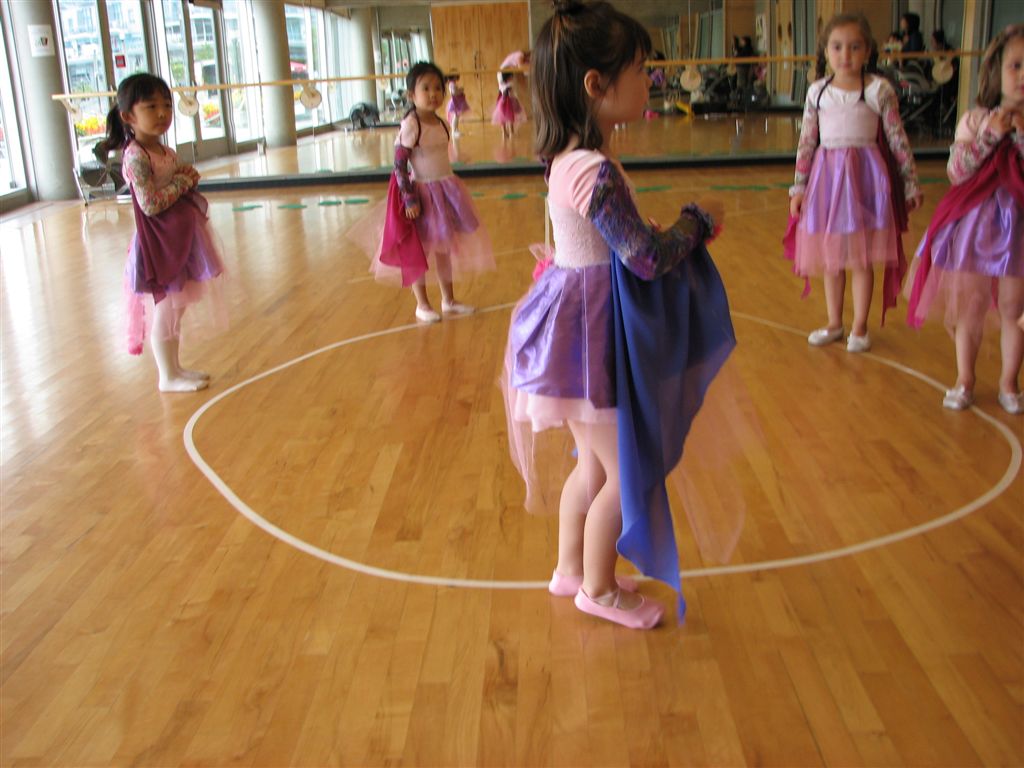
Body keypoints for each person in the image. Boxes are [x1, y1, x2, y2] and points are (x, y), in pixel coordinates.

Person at [503, 0, 736, 629]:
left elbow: (618, 243)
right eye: (639, 70)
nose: (649, 80)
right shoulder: (594, 170)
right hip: (592, 334)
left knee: (595, 464)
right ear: (595, 84)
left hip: (575, 325)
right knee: (624, 474)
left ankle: (569, 568)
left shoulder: (569, 158)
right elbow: (645, 259)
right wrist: (697, 221)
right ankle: (599, 589)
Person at [785, 13, 922, 352]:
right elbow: (807, 141)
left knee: (862, 258)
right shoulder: (818, 92)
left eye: (854, 47)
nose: (845, 54)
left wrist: (910, 183)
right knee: (832, 257)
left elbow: (897, 139)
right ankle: (835, 322)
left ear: (868, 51)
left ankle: (860, 325)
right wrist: (799, 187)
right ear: (826, 51)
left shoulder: (878, 90)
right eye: (837, 47)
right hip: (827, 180)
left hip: (866, 179)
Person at [906, 25, 1024, 414]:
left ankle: (1009, 383)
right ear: (996, 71)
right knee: (970, 308)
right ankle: (965, 378)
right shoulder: (975, 119)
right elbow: (958, 171)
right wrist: (990, 135)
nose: (1023, 75)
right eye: (1016, 66)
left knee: (1014, 309)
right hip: (976, 229)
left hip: (1018, 233)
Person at [94, 73, 226, 392]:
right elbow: (150, 203)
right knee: (166, 307)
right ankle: (167, 376)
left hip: (177, 238)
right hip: (158, 244)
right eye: (151, 107)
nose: (162, 113)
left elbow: (176, 178)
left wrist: (183, 176)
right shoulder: (136, 155)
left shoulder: (162, 150)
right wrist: (182, 181)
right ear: (128, 116)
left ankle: (175, 368)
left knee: (176, 309)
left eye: (166, 105)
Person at [352, 62, 493, 322]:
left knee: (444, 248)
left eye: (438, 88)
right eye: (425, 88)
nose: (433, 94)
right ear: (411, 95)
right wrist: (409, 199)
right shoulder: (411, 124)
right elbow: (399, 165)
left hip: (445, 190)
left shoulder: (441, 122)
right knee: (420, 251)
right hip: (424, 196)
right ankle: (422, 304)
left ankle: (448, 300)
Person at [492, 70, 526, 139]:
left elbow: (501, 92)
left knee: (502, 118)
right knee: (510, 118)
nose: (512, 78)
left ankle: (504, 133)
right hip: (508, 103)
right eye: (511, 76)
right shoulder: (509, 85)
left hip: (501, 103)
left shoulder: (500, 85)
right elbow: (510, 94)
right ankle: (511, 132)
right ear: (508, 77)